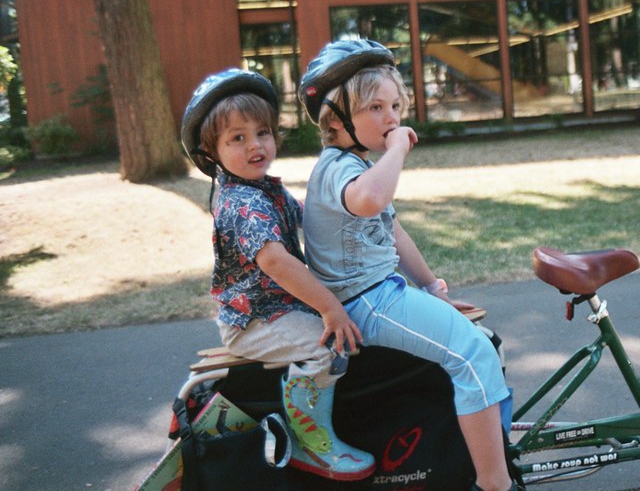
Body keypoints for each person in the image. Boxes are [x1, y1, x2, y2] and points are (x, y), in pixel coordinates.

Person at [298, 39, 518, 491]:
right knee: (472, 355)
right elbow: (370, 200)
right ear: (335, 117)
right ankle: (495, 483)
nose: (392, 118)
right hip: (364, 302)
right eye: (375, 107)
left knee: (479, 341)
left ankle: (486, 452)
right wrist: (396, 150)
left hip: (384, 293)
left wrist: (432, 287)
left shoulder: (357, 163)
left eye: (396, 105)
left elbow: (394, 233)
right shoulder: (338, 167)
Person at [180, 68, 375, 481]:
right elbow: (276, 262)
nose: (255, 145)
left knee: (346, 335)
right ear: (210, 151)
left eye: (262, 132)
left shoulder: (267, 189)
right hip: (253, 321)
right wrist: (331, 308)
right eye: (237, 137)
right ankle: (311, 443)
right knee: (326, 347)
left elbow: (312, 223)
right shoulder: (240, 203)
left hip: (278, 308)